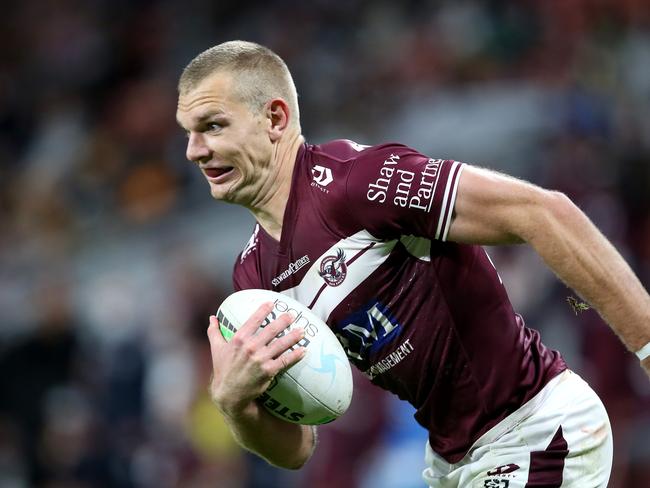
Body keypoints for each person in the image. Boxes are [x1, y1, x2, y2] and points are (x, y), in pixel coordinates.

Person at [175, 40, 650, 487]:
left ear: (274, 118)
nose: (195, 150)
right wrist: (235, 403)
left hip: (536, 427)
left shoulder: (358, 182)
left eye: (213, 126)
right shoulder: (253, 278)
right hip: (452, 464)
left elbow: (546, 214)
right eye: (189, 133)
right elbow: (297, 448)